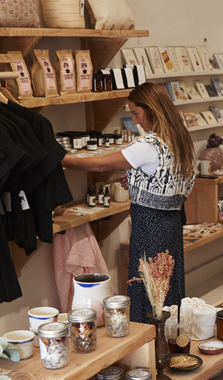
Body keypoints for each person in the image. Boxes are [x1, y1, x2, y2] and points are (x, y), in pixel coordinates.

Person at [62, 82, 195, 323]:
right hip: (171, 223)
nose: (136, 121)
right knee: (167, 284)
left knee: (149, 286)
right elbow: (168, 176)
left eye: (136, 113)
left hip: (150, 225)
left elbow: (99, 164)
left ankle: (149, 345)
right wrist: (136, 179)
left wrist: (62, 159)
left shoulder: (148, 144)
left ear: (151, 109)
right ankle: (169, 342)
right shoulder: (179, 138)